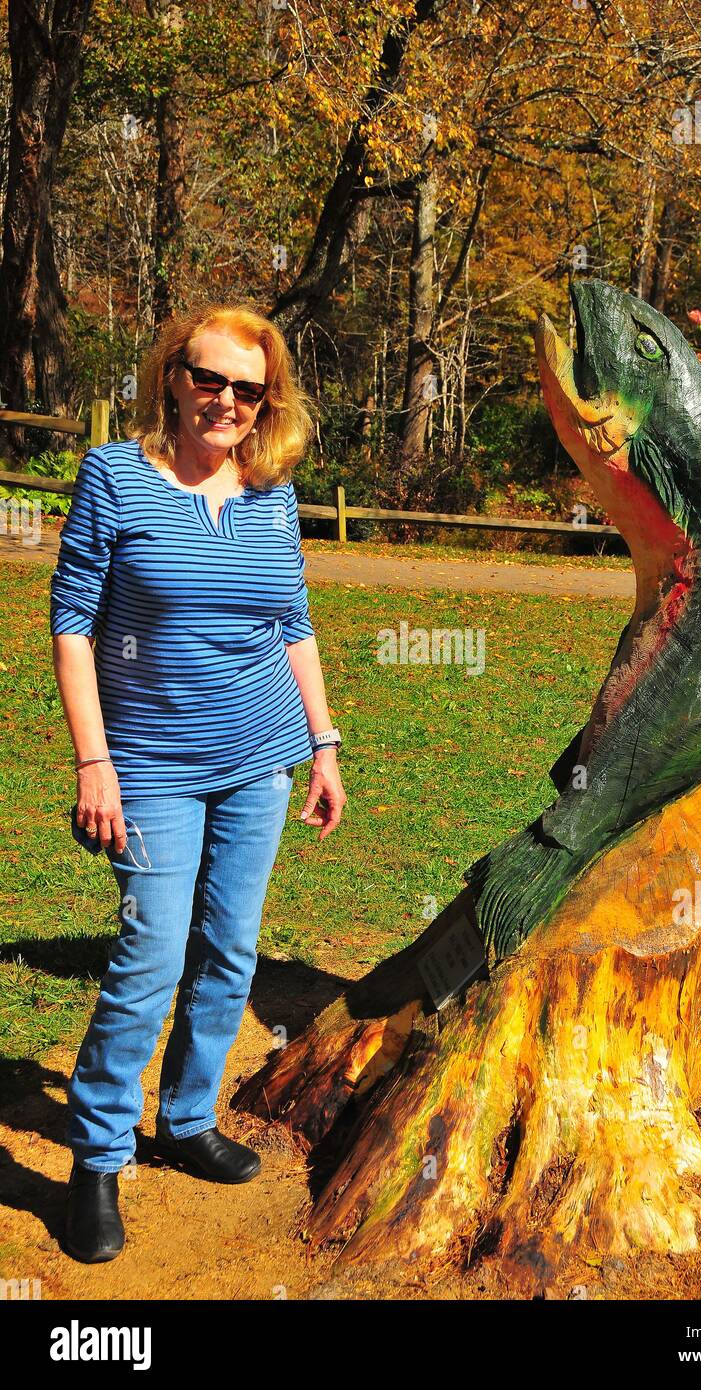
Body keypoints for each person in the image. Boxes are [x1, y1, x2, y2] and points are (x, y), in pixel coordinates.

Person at [50, 300, 346, 1263]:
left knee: (229, 951)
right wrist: (96, 761)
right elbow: (74, 627)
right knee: (147, 960)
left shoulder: (270, 490)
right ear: (173, 377)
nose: (225, 401)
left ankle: (185, 1118)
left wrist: (323, 743)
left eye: (247, 389)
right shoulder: (114, 478)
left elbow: (291, 621)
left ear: (268, 403)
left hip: (256, 762)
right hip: (148, 771)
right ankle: (98, 1159)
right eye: (208, 379)